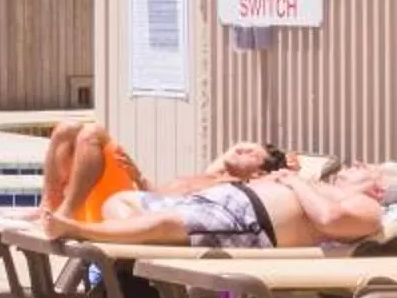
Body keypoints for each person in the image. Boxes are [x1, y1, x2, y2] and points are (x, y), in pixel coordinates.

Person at [40, 160, 392, 254]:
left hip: (249, 224)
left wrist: (294, 182)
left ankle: (76, 229)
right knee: (129, 206)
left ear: (377, 189)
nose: (355, 163)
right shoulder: (324, 187)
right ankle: (123, 276)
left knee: (163, 223)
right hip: (233, 205)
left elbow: (330, 221)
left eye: (365, 167)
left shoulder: (365, 207)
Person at [37, 123, 281, 224]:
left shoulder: (237, 191)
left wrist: (282, 169)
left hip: (127, 213)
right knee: (67, 129)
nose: (242, 148)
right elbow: (229, 154)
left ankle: (65, 215)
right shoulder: (214, 175)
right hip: (132, 198)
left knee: (92, 133)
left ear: (259, 174)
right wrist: (139, 177)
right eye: (243, 145)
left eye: (251, 153)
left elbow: (171, 209)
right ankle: (49, 207)